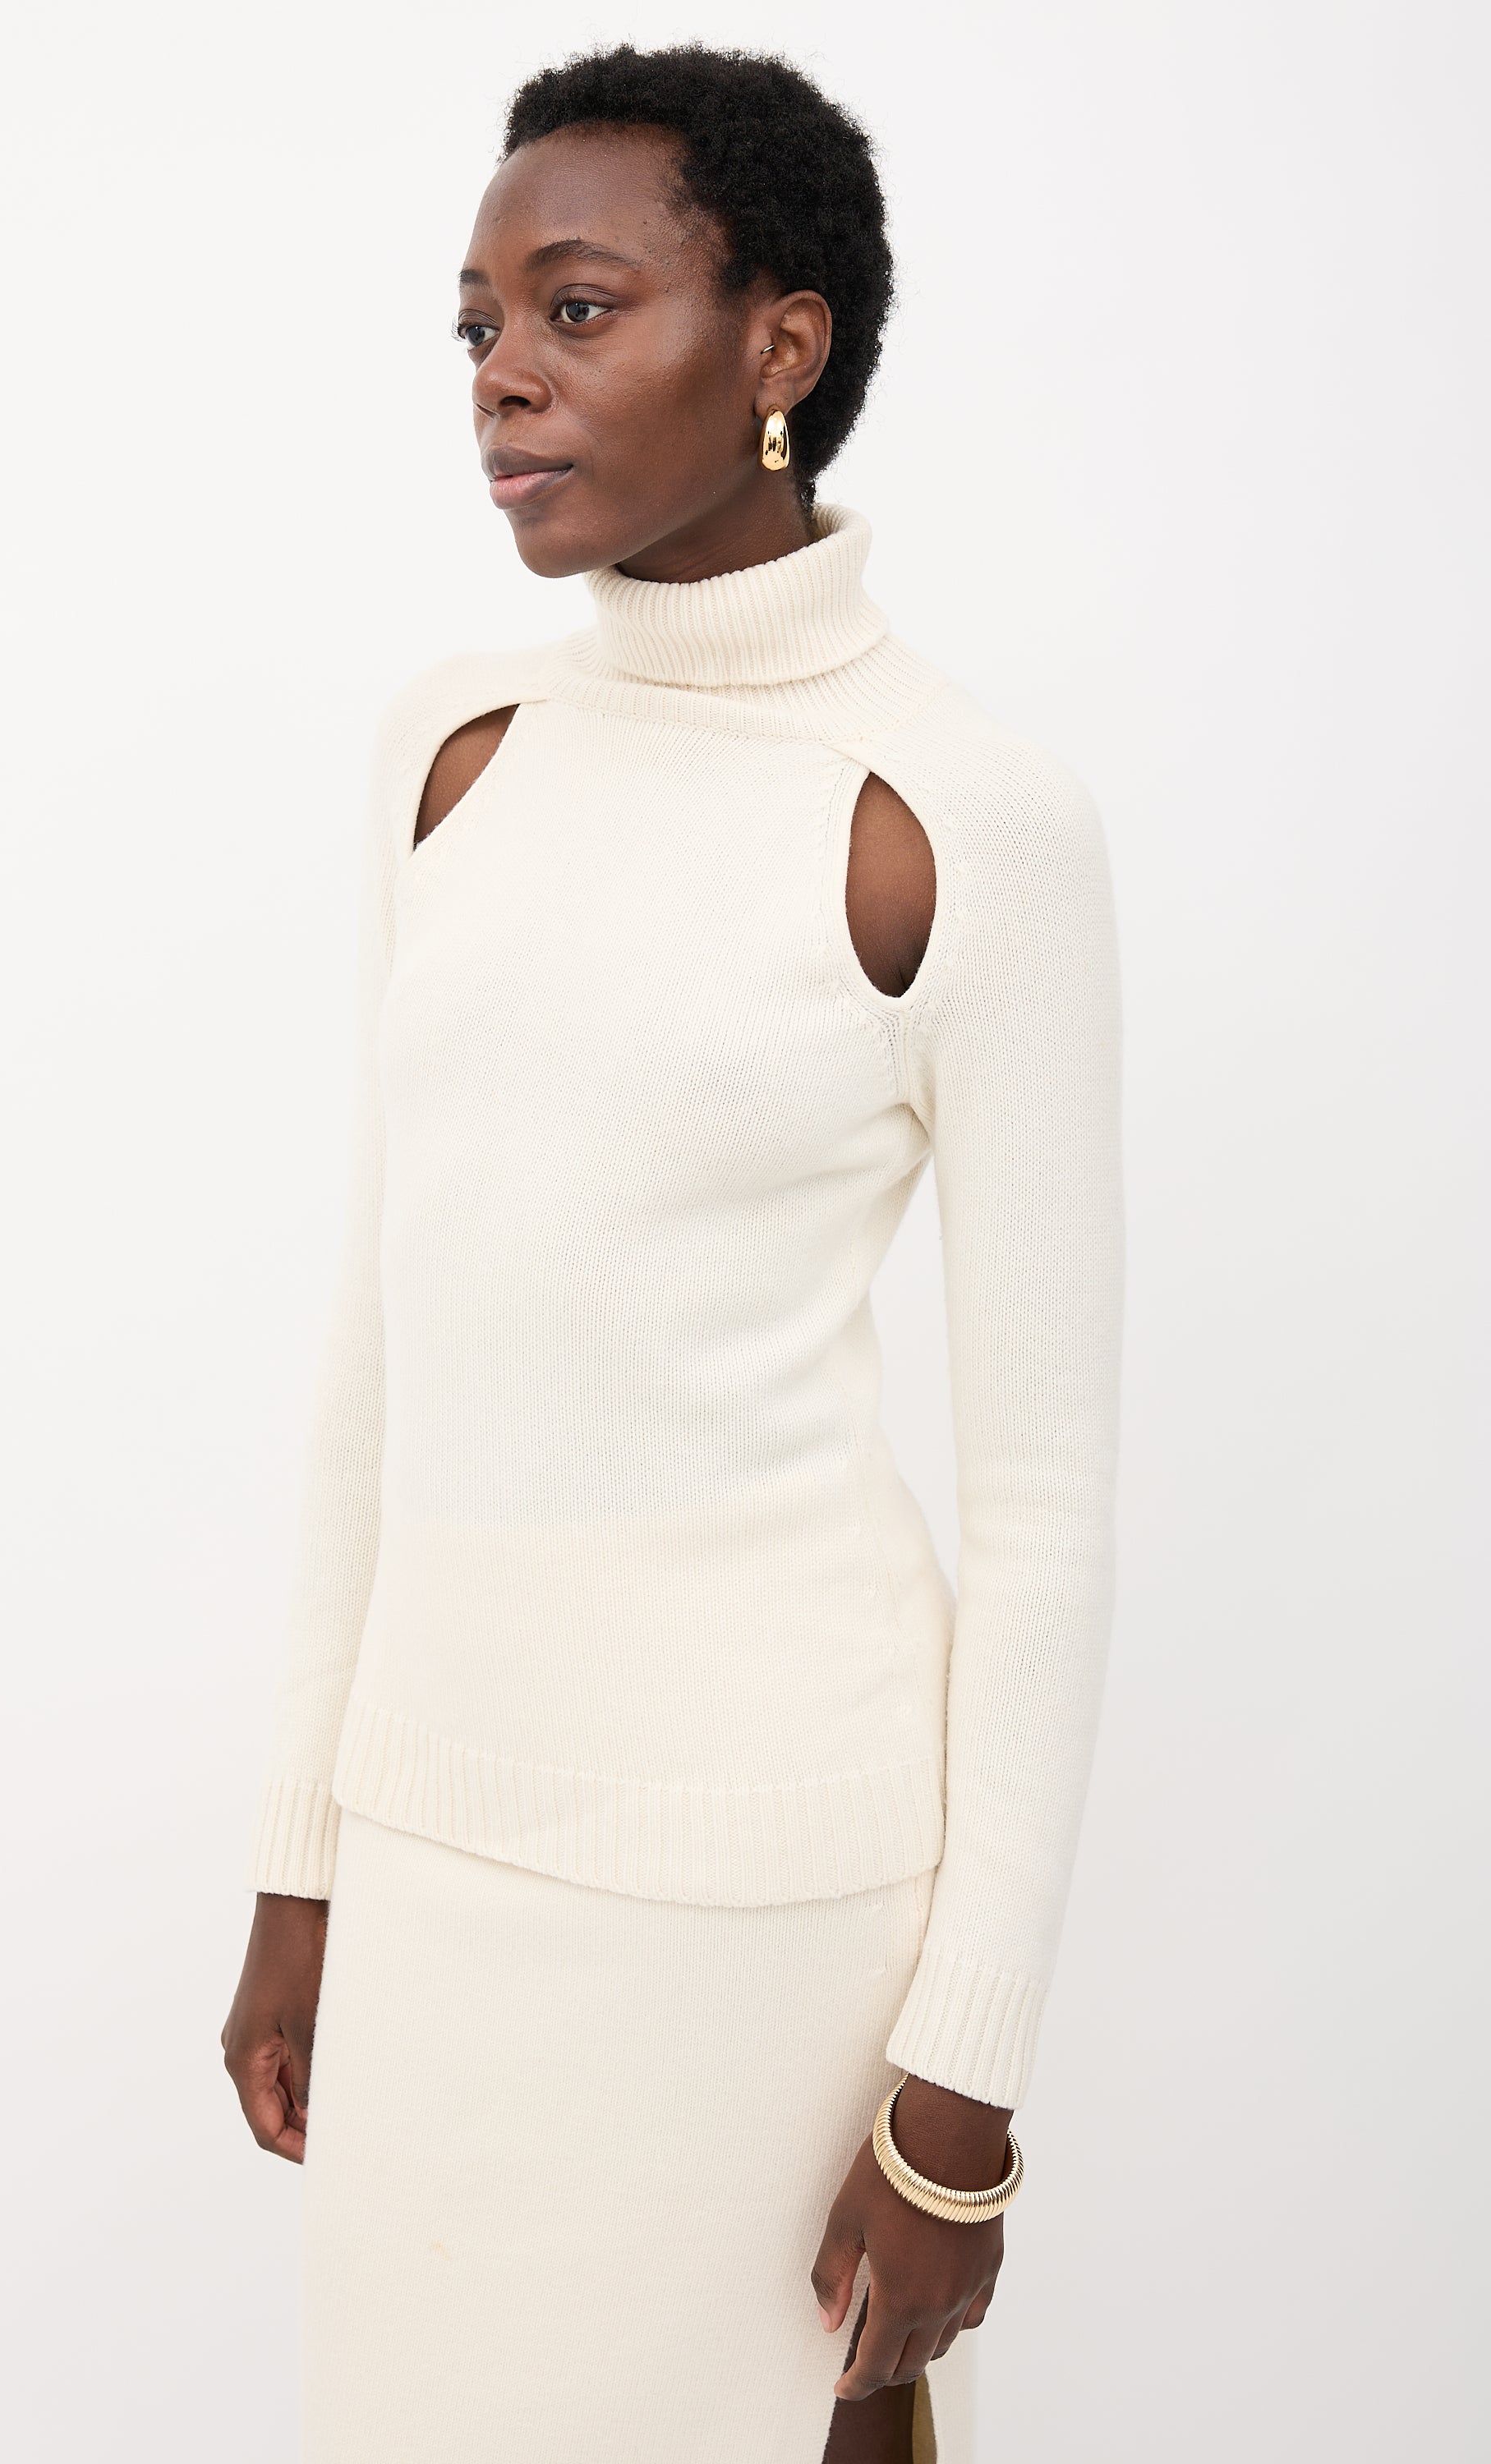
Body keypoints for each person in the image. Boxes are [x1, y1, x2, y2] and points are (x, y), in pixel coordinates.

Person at [221, 42, 1125, 2464]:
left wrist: (964, 2088)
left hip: (767, 1905)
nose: (502, 374)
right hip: (437, 1864)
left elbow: (1044, 1510)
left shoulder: (953, 816)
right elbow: (381, 1351)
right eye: (478, 324)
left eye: (580, 306)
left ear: (780, 345)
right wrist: (304, 1863)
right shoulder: (456, 755)